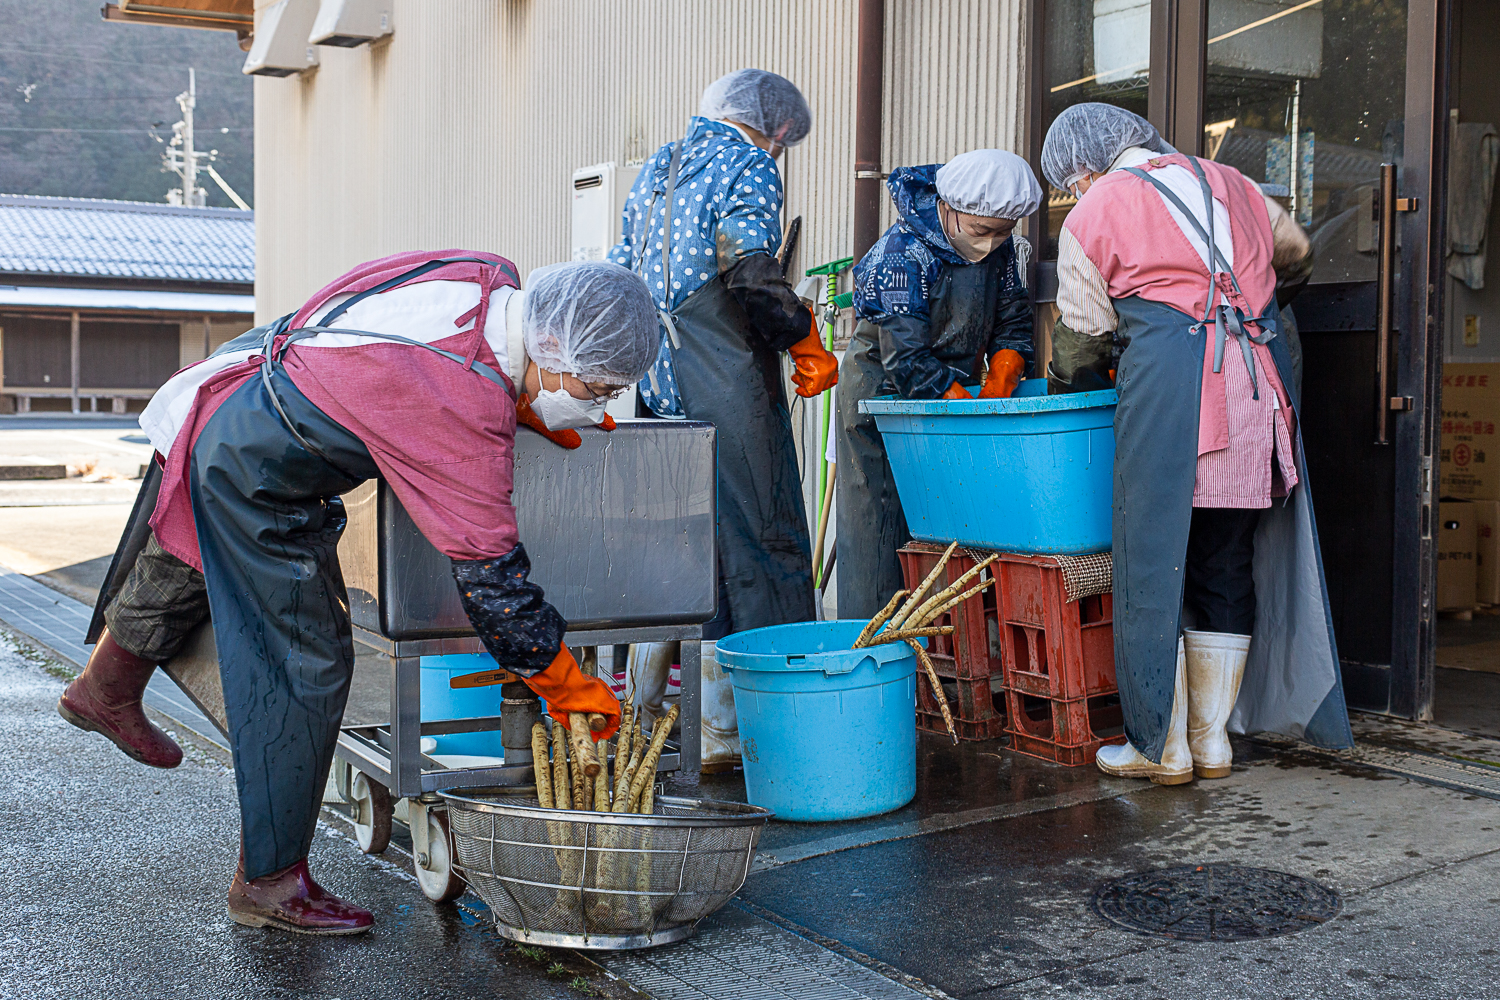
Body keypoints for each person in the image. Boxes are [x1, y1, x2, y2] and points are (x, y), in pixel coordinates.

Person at [58, 254, 656, 933]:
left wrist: (521, 403)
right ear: (553, 349)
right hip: (258, 471)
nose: (596, 401)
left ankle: (102, 690)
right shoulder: (459, 400)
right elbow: (494, 583)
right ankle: (271, 883)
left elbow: (406, 354)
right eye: (596, 386)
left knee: (187, 553)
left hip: (244, 390)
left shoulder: (489, 280)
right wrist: (568, 686)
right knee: (306, 667)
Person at [1039, 103, 1351, 784]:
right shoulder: (1234, 182)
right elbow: (1295, 255)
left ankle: (1160, 747)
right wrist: (1251, 306)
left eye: (1071, 181)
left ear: (1084, 167)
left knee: (1152, 565)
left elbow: (1083, 338)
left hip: (1169, 391)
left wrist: (1068, 384)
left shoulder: (1094, 213)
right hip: (1255, 386)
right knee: (1225, 558)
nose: (1074, 191)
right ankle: (1213, 745)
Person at [608, 69, 838, 770]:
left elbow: (621, 272)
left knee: (680, 552)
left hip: (656, 381)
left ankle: (641, 718)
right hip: (723, 379)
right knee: (757, 541)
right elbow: (749, 272)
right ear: (777, 128)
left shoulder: (659, 166)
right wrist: (804, 338)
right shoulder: (747, 163)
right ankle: (730, 733)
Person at [836, 149, 1040, 619]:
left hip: (953, 399)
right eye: (981, 231)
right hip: (883, 395)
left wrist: (1002, 378)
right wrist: (964, 408)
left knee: (946, 526)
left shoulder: (1001, 253)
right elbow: (907, 359)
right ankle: (876, 654)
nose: (991, 245)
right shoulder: (900, 253)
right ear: (949, 207)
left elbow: (1012, 323)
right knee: (880, 526)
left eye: (1003, 233)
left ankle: (940, 660)